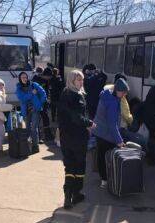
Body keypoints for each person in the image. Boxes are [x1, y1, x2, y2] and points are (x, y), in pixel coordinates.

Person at [58, 70, 96, 209]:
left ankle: (68, 197)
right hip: (77, 137)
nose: (81, 82)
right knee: (79, 166)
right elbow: (76, 117)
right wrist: (90, 123)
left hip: (66, 137)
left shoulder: (65, 93)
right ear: (72, 81)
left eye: (82, 80)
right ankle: (76, 194)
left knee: (69, 167)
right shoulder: (74, 96)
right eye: (78, 80)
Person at [93, 78, 130, 188]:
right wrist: (119, 141)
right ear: (117, 90)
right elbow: (112, 124)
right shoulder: (112, 102)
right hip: (106, 133)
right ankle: (106, 180)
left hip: (99, 130)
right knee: (107, 156)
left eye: (125, 93)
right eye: (123, 92)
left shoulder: (107, 95)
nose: (124, 95)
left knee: (101, 154)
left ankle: (103, 178)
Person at [16, 72, 47, 153]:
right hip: (25, 111)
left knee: (34, 128)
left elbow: (43, 94)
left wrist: (39, 104)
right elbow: (22, 98)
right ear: (20, 79)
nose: (24, 79)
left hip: (35, 110)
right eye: (22, 77)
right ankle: (28, 146)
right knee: (27, 128)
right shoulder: (18, 88)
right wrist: (31, 94)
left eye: (25, 77)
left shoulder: (34, 85)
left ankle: (35, 146)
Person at [32, 66, 54, 141]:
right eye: (49, 77)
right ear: (45, 75)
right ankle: (38, 137)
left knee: (45, 118)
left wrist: (48, 99)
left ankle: (47, 135)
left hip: (44, 102)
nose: (49, 79)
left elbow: (47, 91)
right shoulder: (35, 80)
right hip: (37, 103)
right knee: (37, 119)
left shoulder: (46, 81)